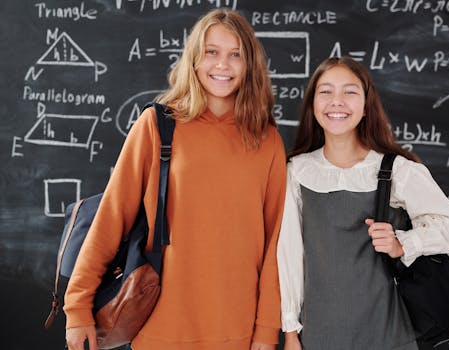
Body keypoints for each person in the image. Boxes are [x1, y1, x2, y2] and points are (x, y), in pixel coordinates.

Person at [64, 9, 286, 350]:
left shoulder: (266, 140)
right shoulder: (158, 125)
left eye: (235, 54)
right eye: (211, 52)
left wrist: (266, 332)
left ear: (249, 65)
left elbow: (275, 245)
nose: (222, 65)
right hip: (159, 329)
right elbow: (112, 218)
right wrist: (77, 307)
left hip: (239, 332)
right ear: (194, 60)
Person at [277, 56, 449, 350]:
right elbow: (289, 256)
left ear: (366, 106)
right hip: (320, 333)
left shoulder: (396, 171)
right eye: (325, 91)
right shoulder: (296, 173)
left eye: (350, 92)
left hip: (389, 332)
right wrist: (290, 331)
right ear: (313, 105)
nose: (336, 101)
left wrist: (403, 243)